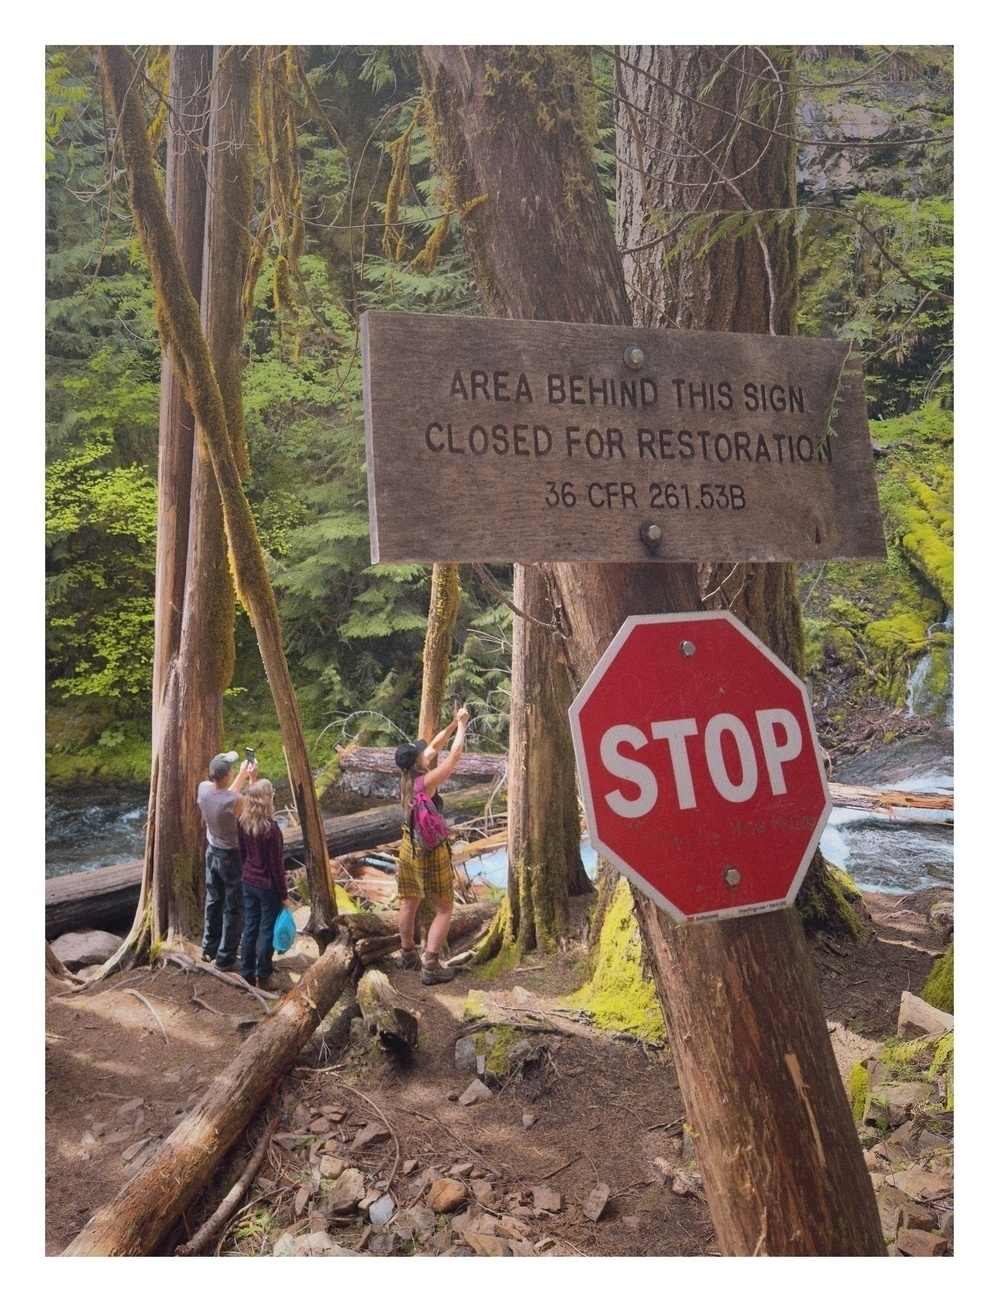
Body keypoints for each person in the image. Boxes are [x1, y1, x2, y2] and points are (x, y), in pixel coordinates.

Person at [394, 703, 470, 985]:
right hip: (431, 850)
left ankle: (407, 954)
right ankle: (431, 966)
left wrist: (451, 724)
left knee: (409, 902)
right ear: (418, 763)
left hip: (408, 846)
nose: (426, 753)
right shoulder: (427, 781)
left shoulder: (405, 778)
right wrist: (463, 726)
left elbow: (435, 746)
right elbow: (454, 756)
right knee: (444, 908)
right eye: (421, 754)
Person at [197, 750, 255, 970]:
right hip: (231, 857)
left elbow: (225, 797)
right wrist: (252, 778)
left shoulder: (203, 789)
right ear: (227, 776)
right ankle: (225, 958)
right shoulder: (236, 799)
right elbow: (248, 812)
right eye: (232, 769)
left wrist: (240, 774)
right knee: (234, 907)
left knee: (214, 900)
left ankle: (208, 949)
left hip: (211, 852)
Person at [237, 778, 289, 990]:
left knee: (250, 926)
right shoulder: (272, 830)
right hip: (267, 886)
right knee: (266, 929)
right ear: (267, 799)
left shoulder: (242, 821)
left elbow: (242, 852)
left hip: (248, 881)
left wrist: (247, 871)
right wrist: (284, 895)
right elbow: (277, 866)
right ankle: (264, 975)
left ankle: (246, 972)